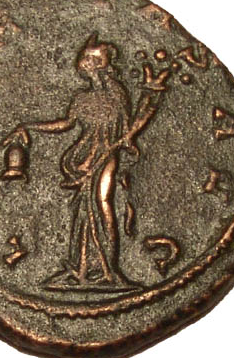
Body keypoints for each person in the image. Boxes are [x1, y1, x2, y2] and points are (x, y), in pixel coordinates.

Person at [20, 34, 168, 291]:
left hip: (106, 155)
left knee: (102, 205)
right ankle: (82, 269)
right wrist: (30, 126)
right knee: (83, 214)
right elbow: (65, 124)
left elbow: (131, 126)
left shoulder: (116, 93)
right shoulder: (81, 98)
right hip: (82, 158)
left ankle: (110, 270)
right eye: (85, 58)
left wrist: (149, 98)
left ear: (101, 64)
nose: (84, 63)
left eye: (90, 59)